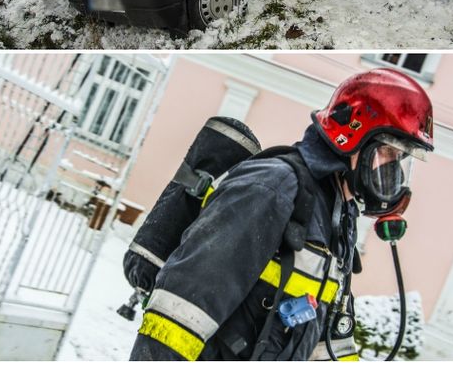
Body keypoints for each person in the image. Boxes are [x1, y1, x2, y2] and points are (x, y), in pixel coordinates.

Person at [130, 68, 433, 361]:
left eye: (400, 160)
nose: (392, 172)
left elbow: (328, 341)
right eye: (388, 154)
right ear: (352, 135)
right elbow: (182, 308)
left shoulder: (340, 216)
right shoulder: (273, 186)